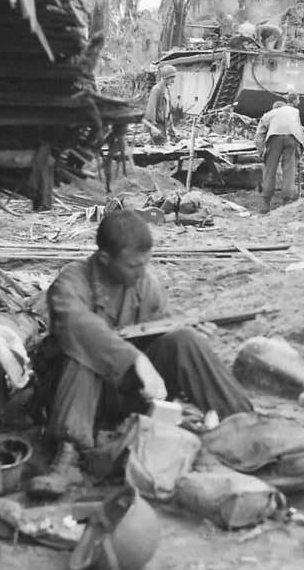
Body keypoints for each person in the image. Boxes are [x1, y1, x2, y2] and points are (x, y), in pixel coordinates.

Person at [30, 211, 255, 497]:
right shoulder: (72, 282)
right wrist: (136, 359)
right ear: (104, 259)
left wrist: (186, 332)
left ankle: (245, 425)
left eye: (146, 263)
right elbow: (75, 325)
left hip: (130, 396)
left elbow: (159, 334)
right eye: (133, 266)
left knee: (184, 339)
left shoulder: (146, 284)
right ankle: (69, 458)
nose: (141, 273)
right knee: (84, 350)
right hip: (80, 401)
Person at [254, 92, 304, 213]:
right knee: (289, 169)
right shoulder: (294, 111)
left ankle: (266, 203)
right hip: (292, 138)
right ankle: (286, 203)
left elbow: (259, 135)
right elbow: (299, 130)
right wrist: (301, 150)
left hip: (274, 137)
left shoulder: (269, 115)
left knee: (270, 170)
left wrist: (261, 151)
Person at [143, 65, 178, 144]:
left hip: (164, 123)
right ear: (165, 78)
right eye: (171, 78)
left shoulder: (167, 89)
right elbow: (151, 109)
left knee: (164, 146)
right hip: (157, 125)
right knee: (159, 149)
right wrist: (152, 126)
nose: (173, 80)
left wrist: (171, 127)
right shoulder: (156, 90)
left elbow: (168, 110)